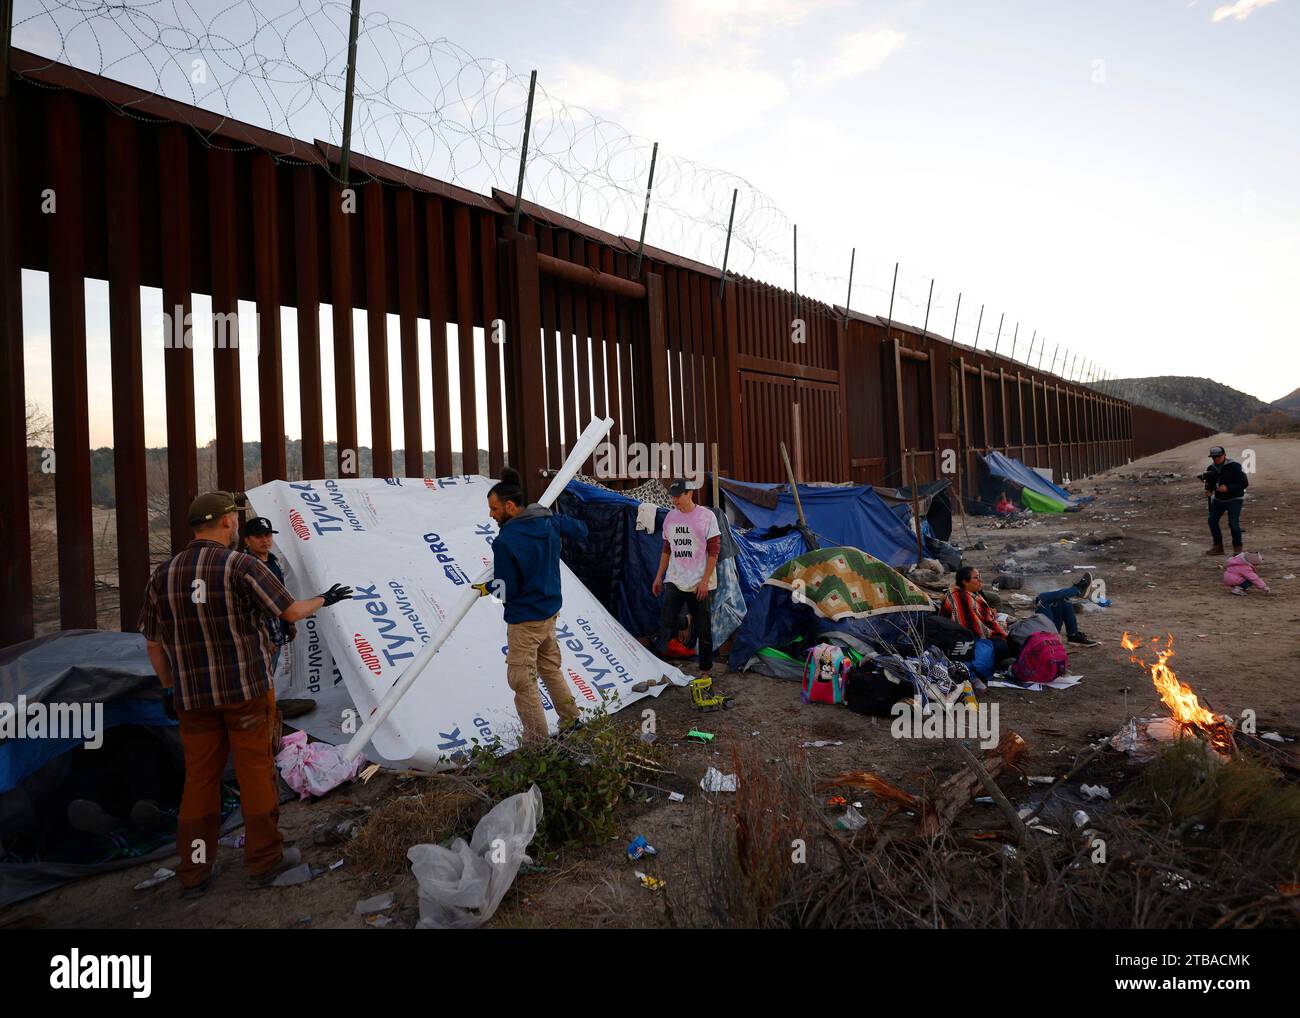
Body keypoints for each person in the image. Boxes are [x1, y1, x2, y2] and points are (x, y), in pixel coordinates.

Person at [138, 490, 353, 898]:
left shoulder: (162, 574)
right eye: (235, 519)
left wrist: (168, 686)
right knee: (255, 772)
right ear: (226, 522)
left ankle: (195, 870)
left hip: (192, 699)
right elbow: (290, 612)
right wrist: (325, 599)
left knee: (200, 780)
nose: (238, 524)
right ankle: (264, 861)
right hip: (245, 692)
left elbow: (152, 643)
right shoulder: (239, 565)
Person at [483, 468, 588, 747]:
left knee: (522, 680)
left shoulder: (505, 541)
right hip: (549, 614)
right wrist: (553, 520)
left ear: (510, 506)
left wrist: (489, 589)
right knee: (550, 669)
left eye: (494, 509)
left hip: (525, 621)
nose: (491, 515)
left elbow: (507, 590)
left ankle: (537, 744)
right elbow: (581, 529)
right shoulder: (547, 521)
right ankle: (572, 721)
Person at [652, 480, 720, 679]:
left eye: (678, 496)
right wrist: (659, 577)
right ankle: (658, 668)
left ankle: (705, 670)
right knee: (666, 622)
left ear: (689, 494)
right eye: (672, 496)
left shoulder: (707, 516)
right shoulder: (670, 517)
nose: (674, 500)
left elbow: (714, 551)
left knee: (703, 627)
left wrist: (705, 581)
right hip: (675, 578)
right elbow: (667, 549)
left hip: (699, 581)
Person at [242, 516, 295, 671]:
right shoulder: (244, 565)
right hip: (259, 641)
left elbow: (282, 596)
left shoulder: (274, 561)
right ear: (247, 540)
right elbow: (249, 608)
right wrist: (265, 638)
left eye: (268, 535)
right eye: (258, 536)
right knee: (261, 679)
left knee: (271, 678)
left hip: (278, 632)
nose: (265, 540)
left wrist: (289, 623)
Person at [939, 566, 1010, 661]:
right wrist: (1002, 625)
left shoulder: (965, 593)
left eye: (979, 577)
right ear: (965, 581)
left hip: (963, 638)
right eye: (976, 578)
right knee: (1006, 645)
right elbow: (979, 631)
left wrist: (991, 616)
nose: (980, 580)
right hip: (967, 642)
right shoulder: (962, 598)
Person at [1203, 445, 1249, 555]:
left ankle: (1237, 549)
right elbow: (1210, 484)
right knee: (1212, 521)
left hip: (1235, 499)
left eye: (1218, 457)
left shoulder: (1235, 466)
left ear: (1224, 455)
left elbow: (1244, 483)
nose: (1216, 459)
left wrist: (1228, 488)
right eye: (1214, 457)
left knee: (1233, 523)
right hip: (1219, 499)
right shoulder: (1210, 469)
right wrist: (1209, 490)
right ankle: (1218, 547)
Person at [1032, 572, 1101, 646]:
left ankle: (1073, 635)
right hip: (1046, 637)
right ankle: (1078, 589)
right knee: (1042, 598)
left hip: (1048, 632)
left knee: (1062, 599)